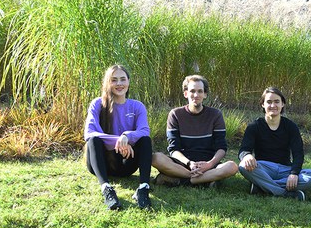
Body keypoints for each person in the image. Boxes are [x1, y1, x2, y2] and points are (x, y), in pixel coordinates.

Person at [84, 65, 152, 210]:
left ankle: (143, 188)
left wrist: (127, 136)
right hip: (101, 163)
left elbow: (144, 130)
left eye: (123, 79)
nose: (119, 84)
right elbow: (89, 132)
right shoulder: (97, 104)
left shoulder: (137, 106)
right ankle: (106, 188)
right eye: (114, 80)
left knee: (146, 140)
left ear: (129, 81)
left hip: (125, 164)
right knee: (93, 140)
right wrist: (119, 141)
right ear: (107, 83)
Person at [152, 75, 238, 187]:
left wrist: (209, 164)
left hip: (208, 164)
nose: (196, 95)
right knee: (155, 158)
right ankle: (203, 180)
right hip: (182, 164)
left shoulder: (215, 115)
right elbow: (174, 149)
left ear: (205, 94)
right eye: (192, 91)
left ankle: (184, 180)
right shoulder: (175, 114)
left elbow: (221, 148)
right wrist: (189, 163)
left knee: (232, 167)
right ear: (185, 93)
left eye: (200, 91)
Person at [238, 87, 311, 201]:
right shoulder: (254, 126)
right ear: (263, 104)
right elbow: (244, 150)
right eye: (269, 102)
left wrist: (294, 173)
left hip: (285, 170)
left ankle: (262, 186)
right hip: (263, 168)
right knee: (243, 166)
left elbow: (298, 153)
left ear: (282, 104)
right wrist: (247, 155)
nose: (273, 105)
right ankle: (285, 193)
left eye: (277, 101)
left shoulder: (291, 126)